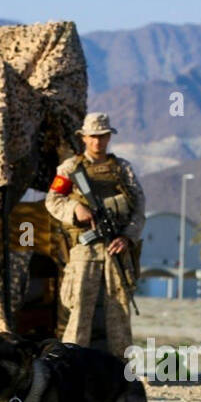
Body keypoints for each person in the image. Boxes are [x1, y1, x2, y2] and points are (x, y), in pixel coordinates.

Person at [45, 112, 146, 358]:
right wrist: (75, 209)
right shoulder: (70, 169)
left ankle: (121, 368)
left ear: (109, 137)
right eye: (93, 137)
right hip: (84, 249)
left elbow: (139, 208)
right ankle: (68, 363)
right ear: (84, 138)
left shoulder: (122, 169)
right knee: (79, 309)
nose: (97, 142)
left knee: (119, 312)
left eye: (102, 136)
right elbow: (53, 200)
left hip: (116, 250)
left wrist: (128, 237)